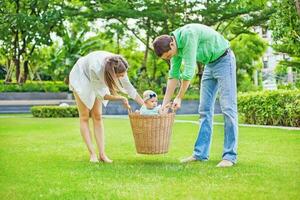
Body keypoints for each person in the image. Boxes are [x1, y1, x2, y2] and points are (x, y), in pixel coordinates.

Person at [153, 23, 238, 167]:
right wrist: (164, 104)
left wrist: (179, 97)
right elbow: (173, 75)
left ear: (172, 44)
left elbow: (188, 72)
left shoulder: (188, 35)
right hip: (210, 65)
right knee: (204, 110)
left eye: (168, 55)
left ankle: (229, 156)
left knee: (228, 108)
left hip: (224, 60)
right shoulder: (175, 50)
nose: (169, 58)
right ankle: (200, 154)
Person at [69, 51, 144, 163]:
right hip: (81, 76)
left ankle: (102, 155)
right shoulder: (96, 68)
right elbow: (102, 95)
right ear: (112, 74)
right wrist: (121, 98)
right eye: (120, 76)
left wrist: (145, 105)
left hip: (100, 77)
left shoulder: (119, 64)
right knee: (84, 116)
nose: (122, 77)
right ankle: (92, 154)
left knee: (97, 116)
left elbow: (130, 89)